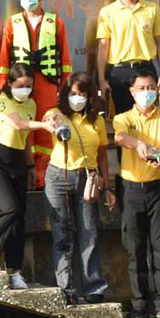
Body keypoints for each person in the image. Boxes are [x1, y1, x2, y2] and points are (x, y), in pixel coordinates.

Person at [0, 64, 57, 289]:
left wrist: (30, 165)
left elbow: (25, 137)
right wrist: (44, 125)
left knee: (19, 218)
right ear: (10, 84)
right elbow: (18, 124)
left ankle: (15, 270)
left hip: (17, 161)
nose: (25, 90)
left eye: (29, 86)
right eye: (20, 86)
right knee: (8, 208)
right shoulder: (2, 102)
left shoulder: (31, 104)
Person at [42, 72, 114, 306]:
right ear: (65, 94)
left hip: (88, 178)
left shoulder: (96, 120)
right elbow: (51, 121)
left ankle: (94, 287)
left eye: (82, 94)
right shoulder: (56, 113)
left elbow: (103, 155)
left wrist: (107, 185)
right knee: (61, 233)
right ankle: (66, 288)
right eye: (73, 93)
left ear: (90, 96)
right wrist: (57, 125)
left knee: (88, 232)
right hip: (59, 176)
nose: (78, 98)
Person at [0, 0, 72, 187]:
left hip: (48, 85)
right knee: (25, 130)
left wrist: (64, 88)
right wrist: (4, 86)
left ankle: (45, 179)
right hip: (21, 86)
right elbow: (4, 59)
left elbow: (65, 60)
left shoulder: (56, 22)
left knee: (48, 129)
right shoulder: (12, 22)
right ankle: (26, 177)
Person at [113, 71, 160, 318]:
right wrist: (137, 144)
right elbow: (120, 136)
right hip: (131, 190)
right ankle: (140, 305)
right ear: (132, 91)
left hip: (159, 188)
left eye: (151, 87)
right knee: (135, 249)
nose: (147, 92)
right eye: (142, 88)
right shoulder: (123, 117)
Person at [96, 0, 160, 115]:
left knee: (149, 116)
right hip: (119, 73)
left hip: (146, 69)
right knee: (122, 120)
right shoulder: (107, 12)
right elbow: (103, 47)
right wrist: (102, 80)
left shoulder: (152, 9)